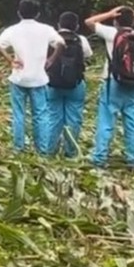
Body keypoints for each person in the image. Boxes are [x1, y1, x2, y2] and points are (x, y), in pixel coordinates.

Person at [84, 5, 134, 169]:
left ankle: (100, 158)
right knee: (133, 122)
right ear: (132, 21)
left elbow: (89, 22)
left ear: (116, 21)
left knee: (106, 121)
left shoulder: (112, 33)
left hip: (113, 82)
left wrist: (109, 13)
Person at [0, 0, 65, 154]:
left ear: (19, 13)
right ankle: (42, 150)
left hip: (19, 78)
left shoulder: (12, 30)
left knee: (18, 114)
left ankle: (18, 148)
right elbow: (61, 43)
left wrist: (10, 60)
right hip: (39, 78)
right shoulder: (46, 29)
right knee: (40, 115)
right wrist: (51, 59)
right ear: (38, 14)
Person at [45, 12, 93, 158]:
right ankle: (71, 151)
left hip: (53, 84)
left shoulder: (51, 38)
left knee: (53, 117)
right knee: (74, 118)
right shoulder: (81, 40)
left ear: (58, 25)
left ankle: (50, 150)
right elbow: (88, 56)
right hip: (75, 83)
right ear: (77, 26)